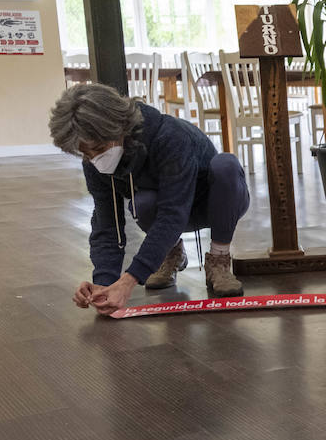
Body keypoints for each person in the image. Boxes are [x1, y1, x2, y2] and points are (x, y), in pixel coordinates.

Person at [49, 83, 250, 314]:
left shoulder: (170, 136)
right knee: (142, 202)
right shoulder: (94, 163)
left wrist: (128, 282)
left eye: (99, 148)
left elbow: (173, 213)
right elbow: (107, 223)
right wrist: (103, 284)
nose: (95, 158)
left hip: (214, 205)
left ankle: (219, 260)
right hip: (167, 207)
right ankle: (171, 253)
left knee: (226, 165)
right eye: (86, 153)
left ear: (119, 127)